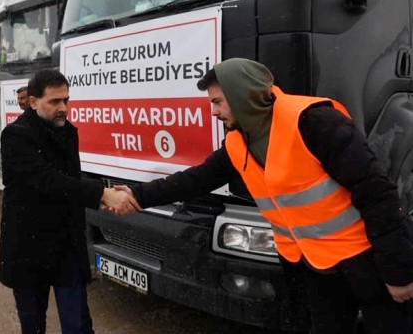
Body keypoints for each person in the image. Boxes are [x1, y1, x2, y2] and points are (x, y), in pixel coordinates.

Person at [110, 58, 413, 334]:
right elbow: (195, 180)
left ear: (243, 96)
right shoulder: (239, 141)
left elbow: (376, 193)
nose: (213, 111)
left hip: (363, 260)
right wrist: (138, 195)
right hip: (314, 267)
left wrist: (398, 270)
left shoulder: (314, 122)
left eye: (218, 102)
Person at [0, 69, 140, 334]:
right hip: (29, 246)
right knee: (33, 325)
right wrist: (101, 193)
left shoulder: (67, 131)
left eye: (66, 100)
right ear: (33, 102)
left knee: (78, 325)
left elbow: (69, 181)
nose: (63, 108)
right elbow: (46, 180)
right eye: (54, 102)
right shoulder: (15, 135)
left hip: (66, 246)